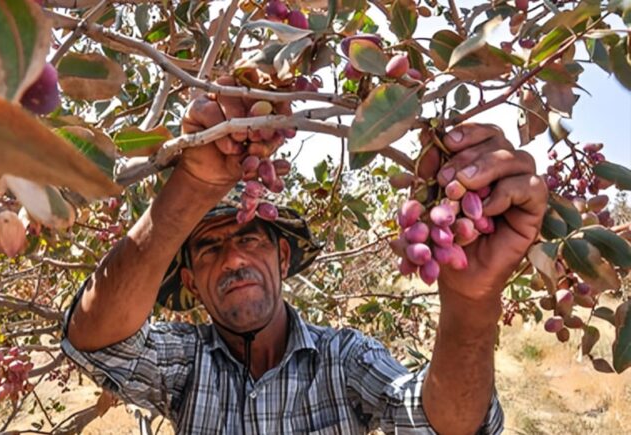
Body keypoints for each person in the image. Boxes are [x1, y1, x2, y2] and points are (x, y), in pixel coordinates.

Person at [61, 77, 549, 434]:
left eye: (250, 239)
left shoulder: (344, 359)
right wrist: (191, 186)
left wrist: (471, 302)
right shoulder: (186, 362)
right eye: (208, 248)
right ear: (190, 282)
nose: (232, 260)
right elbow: (96, 341)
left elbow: (438, 426)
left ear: (282, 258)